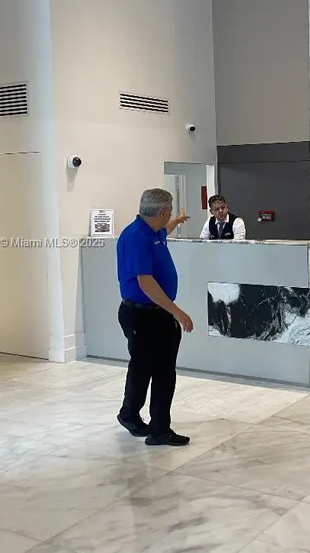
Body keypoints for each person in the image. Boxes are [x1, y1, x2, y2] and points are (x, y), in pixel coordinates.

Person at [116, 188, 194, 447]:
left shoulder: (152, 231)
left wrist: (177, 221)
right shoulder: (137, 237)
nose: (169, 217)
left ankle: (131, 415)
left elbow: (165, 230)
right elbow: (146, 282)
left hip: (151, 314)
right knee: (159, 371)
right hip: (144, 315)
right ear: (161, 211)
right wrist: (176, 311)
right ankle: (157, 429)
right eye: (169, 213)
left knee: (147, 368)